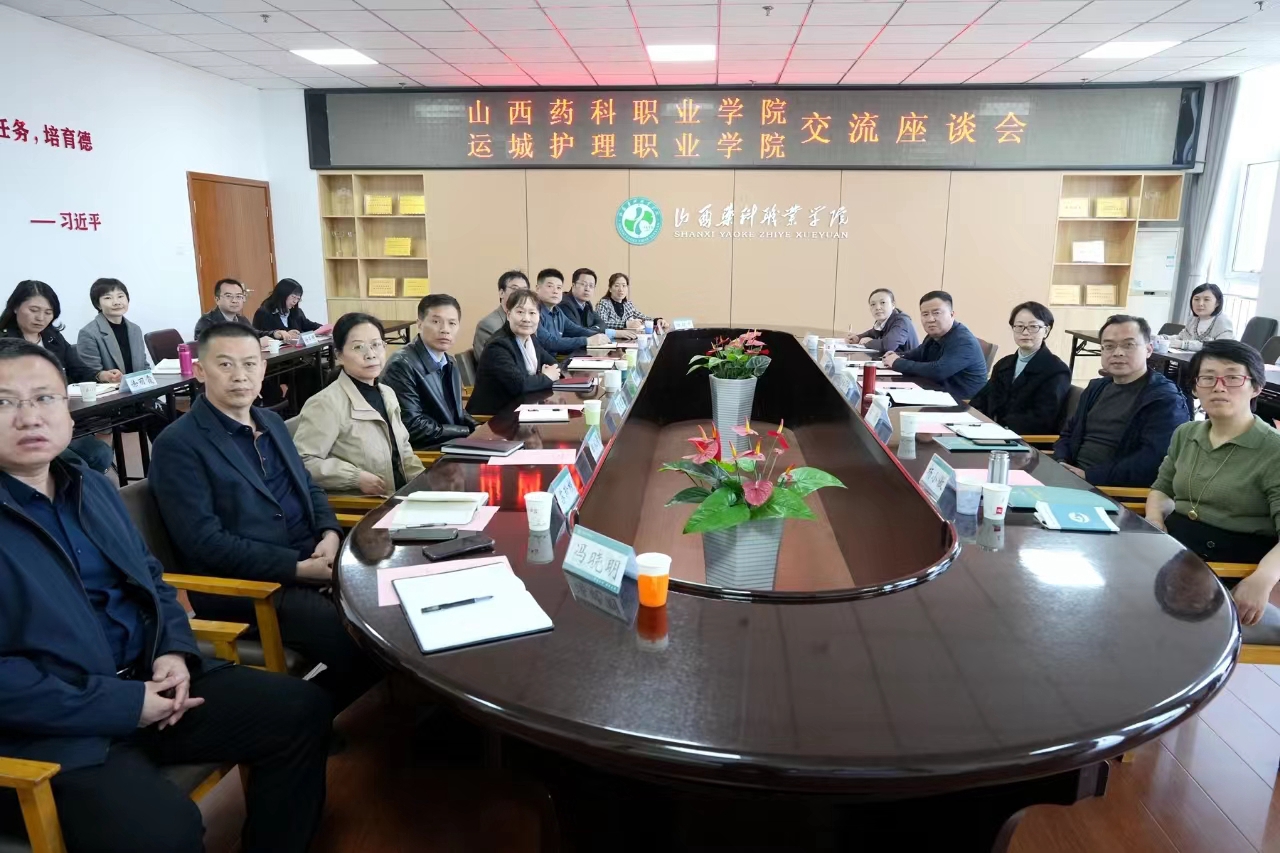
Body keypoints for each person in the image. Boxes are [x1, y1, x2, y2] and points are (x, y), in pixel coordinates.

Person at [0, 338, 330, 853]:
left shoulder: (90, 486)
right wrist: (126, 704)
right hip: (57, 732)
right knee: (166, 832)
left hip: (154, 683)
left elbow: (152, 580)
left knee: (300, 710)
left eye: (44, 398)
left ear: (67, 407)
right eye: (5, 402)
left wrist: (173, 652)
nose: (29, 417)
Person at [149, 322, 378, 711]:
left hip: (316, 559)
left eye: (250, 364)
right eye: (225, 364)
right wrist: (297, 568)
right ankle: (309, 716)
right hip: (251, 587)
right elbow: (204, 543)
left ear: (264, 369)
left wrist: (329, 533)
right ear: (200, 371)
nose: (240, 375)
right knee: (363, 637)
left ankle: (323, 709)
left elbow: (309, 487)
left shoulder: (270, 422)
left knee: (389, 605)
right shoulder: (178, 445)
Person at [1146, 340, 1280, 635]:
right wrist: (1154, 519)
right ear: (1195, 388)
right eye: (1207, 378)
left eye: (1232, 377)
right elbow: (1162, 488)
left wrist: (1263, 579)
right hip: (1175, 550)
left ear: (1256, 387)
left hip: (1231, 562)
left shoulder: (1274, 450)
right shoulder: (1186, 433)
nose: (1219, 387)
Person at [293, 313, 424, 495]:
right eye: (358, 347)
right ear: (339, 355)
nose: (370, 354)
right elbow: (303, 460)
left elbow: (403, 450)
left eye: (376, 345)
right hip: (366, 504)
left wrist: (425, 484)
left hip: (401, 497)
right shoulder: (326, 403)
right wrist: (354, 477)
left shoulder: (387, 393)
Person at [1053, 315, 1189, 486]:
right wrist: (1061, 463)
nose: (1118, 352)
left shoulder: (1165, 399)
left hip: (1113, 491)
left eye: (1128, 345)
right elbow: (1068, 434)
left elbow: (1152, 462)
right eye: (1109, 346)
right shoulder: (1096, 388)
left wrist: (1089, 476)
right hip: (1071, 479)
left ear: (1149, 350)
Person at [1, 280, 114, 473]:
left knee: (100, 453)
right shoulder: (5, 344)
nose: (41, 318)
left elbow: (77, 368)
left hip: (58, 418)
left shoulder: (52, 337)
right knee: (75, 463)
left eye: (48, 312)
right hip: (23, 423)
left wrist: (101, 375)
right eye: (34, 310)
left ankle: (84, 489)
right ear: (15, 307)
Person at [76, 277, 169, 442]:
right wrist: (105, 376)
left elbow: (143, 366)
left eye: (120, 296)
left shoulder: (134, 329)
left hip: (139, 397)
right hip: (113, 404)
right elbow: (89, 374)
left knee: (173, 417)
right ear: (98, 304)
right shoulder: (89, 333)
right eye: (108, 298)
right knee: (163, 420)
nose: (116, 302)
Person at [382, 293, 478, 449]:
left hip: (450, 442)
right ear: (419, 324)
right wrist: (465, 432)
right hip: (425, 452)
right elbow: (412, 426)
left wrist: (476, 427)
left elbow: (456, 410)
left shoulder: (449, 361)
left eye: (452, 323)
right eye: (436, 321)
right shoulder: (401, 365)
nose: (445, 330)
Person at [969, 301, 1072, 435]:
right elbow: (980, 400)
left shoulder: (1056, 370)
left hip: (1024, 440)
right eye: (1019, 326)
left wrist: (997, 427)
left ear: (1046, 331)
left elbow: (1042, 420)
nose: (1025, 332)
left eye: (1033, 327)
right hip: (989, 433)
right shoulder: (1004, 364)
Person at [467, 288, 561, 416]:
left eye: (532, 313)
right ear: (508, 314)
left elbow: (554, 364)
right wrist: (546, 377)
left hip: (522, 408)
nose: (526, 319)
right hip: (494, 417)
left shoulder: (530, 339)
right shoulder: (498, 346)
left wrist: (544, 376)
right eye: (520, 312)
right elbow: (520, 386)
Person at [882, 291, 988, 399]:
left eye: (936, 313)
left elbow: (938, 370)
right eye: (925, 314)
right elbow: (919, 353)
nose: (930, 319)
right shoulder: (935, 335)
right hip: (937, 391)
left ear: (952, 315)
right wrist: (897, 356)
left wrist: (897, 362)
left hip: (961, 402)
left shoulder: (964, 341)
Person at [533, 268, 612, 355]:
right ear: (538, 288)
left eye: (559, 287)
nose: (555, 291)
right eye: (550, 286)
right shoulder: (533, 312)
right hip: (543, 361)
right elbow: (550, 342)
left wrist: (599, 336)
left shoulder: (558, 311)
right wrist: (587, 340)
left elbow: (576, 330)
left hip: (553, 360)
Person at [558, 268, 637, 340]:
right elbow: (577, 332)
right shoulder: (564, 303)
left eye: (591, 286)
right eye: (583, 284)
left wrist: (592, 330)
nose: (587, 289)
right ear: (573, 285)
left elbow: (602, 324)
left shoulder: (587, 304)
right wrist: (613, 333)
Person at [194, 278, 273, 346]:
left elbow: (254, 334)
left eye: (238, 296)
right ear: (217, 300)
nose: (234, 300)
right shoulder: (207, 321)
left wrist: (274, 333)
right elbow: (211, 346)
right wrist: (254, 343)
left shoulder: (241, 319)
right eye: (228, 296)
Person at [472, 270, 528, 362]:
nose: (520, 294)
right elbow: (489, 361)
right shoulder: (488, 325)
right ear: (501, 293)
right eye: (515, 289)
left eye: (524, 290)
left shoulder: (527, 322)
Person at [1161, 283, 1235, 352]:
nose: (1200, 304)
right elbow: (1181, 337)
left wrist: (1184, 345)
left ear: (1217, 303)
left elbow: (1219, 346)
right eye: (1196, 299)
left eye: (1206, 299)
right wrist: (1163, 338)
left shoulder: (1224, 322)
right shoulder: (1192, 318)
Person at [845, 288, 919, 355]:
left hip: (907, 364)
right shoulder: (882, 322)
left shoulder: (902, 321)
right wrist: (858, 338)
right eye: (873, 304)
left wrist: (868, 342)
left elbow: (888, 345)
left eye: (883, 302)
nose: (877, 308)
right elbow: (872, 333)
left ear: (893, 305)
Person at [253, 278, 322, 343]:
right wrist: (283, 335)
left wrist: (323, 328)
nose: (295, 301)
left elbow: (308, 325)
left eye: (298, 299)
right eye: (293, 297)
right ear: (282, 294)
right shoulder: (264, 313)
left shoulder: (296, 311)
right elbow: (258, 335)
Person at [596, 272, 663, 333]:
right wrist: (626, 324)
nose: (621, 289)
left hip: (627, 339)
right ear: (610, 289)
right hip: (608, 340)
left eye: (624, 286)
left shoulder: (628, 304)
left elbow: (642, 317)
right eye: (617, 286)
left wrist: (656, 321)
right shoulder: (603, 303)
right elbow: (601, 324)